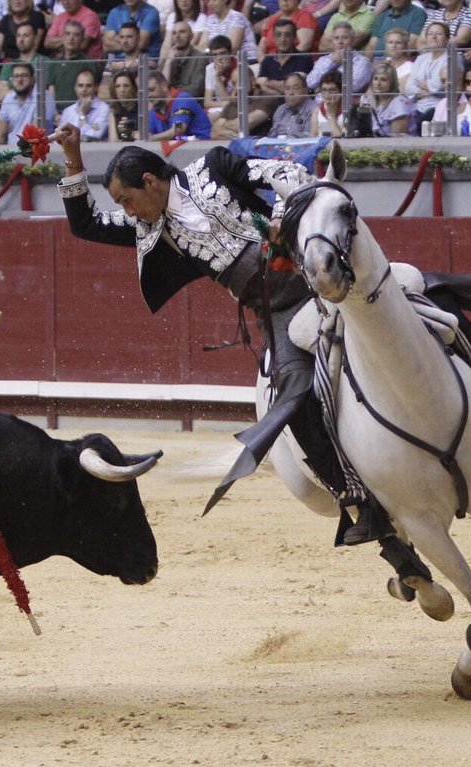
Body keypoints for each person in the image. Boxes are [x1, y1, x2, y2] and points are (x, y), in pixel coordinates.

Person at [54, 127, 390, 545]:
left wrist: (282, 220)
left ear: (150, 182)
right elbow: (86, 223)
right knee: (292, 397)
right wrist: (72, 156)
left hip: (318, 277)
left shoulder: (213, 166)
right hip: (279, 312)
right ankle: (354, 497)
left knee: (407, 300)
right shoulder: (149, 229)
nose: (128, 210)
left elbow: (282, 171)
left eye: (127, 200)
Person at [404, 20, 451, 125]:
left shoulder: (451, 58)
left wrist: (421, 83)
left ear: (447, 39)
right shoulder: (420, 58)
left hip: (438, 107)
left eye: (438, 34)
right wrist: (429, 90)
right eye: (430, 34)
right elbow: (408, 87)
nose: (434, 36)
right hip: (417, 107)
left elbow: (439, 85)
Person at [49, 19, 101, 110]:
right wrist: (54, 112)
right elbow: (51, 89)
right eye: (68, 34)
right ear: (62, 36)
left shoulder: (88, 62)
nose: (71, 38)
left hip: (80, 111)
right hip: (56, 113)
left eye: (76, 35)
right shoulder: (54, 62)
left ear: (82, 39)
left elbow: (93, 92)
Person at [306, 21, 371, 93]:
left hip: (346, 103)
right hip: (320, 103)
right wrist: (331, 62)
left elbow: (353, 87)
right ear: (332, 41)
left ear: (352, 41)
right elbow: (310, 84)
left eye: (345, 37)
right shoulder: (324, 60)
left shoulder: (362, 61)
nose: (340, 42)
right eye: (336, 38)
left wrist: (320, 88)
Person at [0, 60, 50, 143]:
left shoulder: (43, 95)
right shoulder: (8, 98)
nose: (19, 80)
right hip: (11, 151)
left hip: (34, 150)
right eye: (16, 76)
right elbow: (1, 134)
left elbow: (36, 133)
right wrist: (0, 155)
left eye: (24, 76)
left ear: (32, 79)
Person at [147, 68, 210, 138]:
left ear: (164, 86)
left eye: (151, 90)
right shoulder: (155, 109)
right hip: (181, 147)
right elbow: (148, 133)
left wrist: (151, 138)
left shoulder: (183, 99)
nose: (148, 95)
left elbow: (178, 129)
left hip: (202, 145)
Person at [0, 21, 50, 100]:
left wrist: (12, 89)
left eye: (26, 36)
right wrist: (26, 89)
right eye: (18, 36)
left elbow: (42, 93)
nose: (21, 39)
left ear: (35, 38)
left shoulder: (45, 62)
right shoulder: (8, 65)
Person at [258, 20, 313, 96]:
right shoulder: (268, 60)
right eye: (278, 35)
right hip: (272, 102)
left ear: (294, 37)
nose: (283, 39)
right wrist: (279, 93)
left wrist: (269, 83)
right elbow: (260, 85)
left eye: (287, 35)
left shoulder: (304, 59)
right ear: (273, 37)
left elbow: (295, 87)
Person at [360, 60, 413, 135]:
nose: (378, 83)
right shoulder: (368, 101)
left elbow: (397, 139)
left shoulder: (400, 104)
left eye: (383, 80)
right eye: (375, 79)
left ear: (392, 83)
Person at [59, 67, 109, 139]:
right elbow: (59, 138)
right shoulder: (67, 111)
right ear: (75, 87)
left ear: (96, 87)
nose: (84, 89)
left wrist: (82, 115)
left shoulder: (104, 108)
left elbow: (94, 136)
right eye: (80, 85)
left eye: (88, 86)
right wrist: (90, 127)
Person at [161, 19, 206, 98]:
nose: (177, 36)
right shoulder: (167, 57)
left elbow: (195, 90)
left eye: (182, 32)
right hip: (168, 104)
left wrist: (170, 93)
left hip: (190, 105)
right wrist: (168, 63)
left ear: (191, 36)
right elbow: (159, 88)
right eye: (174, 33)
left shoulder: (200, 58)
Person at [268, 70, 316, 135]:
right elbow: (272, 136)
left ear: (305, 90)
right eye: (287, 88)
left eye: (295, 88)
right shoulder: (280, 109)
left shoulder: (314, 109)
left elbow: (310, 138)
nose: (291, 92)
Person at [311, 68, 346, 134]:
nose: (327, 94)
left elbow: (341, 140)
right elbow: (312, 138)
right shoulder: (317, 111)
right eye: (324, 90)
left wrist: (331, 116)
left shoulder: (349, 110)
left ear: (341, 91)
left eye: (332, 90)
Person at [107, 68, 138, 140]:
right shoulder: (113, 113)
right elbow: (113, 141)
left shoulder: (142, 110)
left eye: (126, 86)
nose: (122, 90)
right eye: (118, 86)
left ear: (133, 88)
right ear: (114, 90)